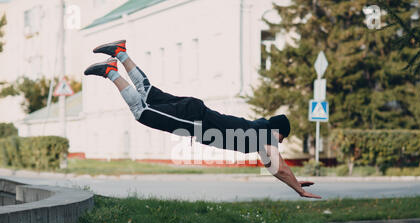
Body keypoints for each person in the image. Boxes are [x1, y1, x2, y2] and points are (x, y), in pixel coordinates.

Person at [84, 40, 321, 199]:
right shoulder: (266, 135)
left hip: (195, 110)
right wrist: (298, 189)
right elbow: (278, 166)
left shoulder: (258, 131)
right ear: (279, 131)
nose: (281, 142)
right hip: (195, 120)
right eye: (283, 137)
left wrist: (295, 182)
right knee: (142, 111)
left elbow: (273, 167)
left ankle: (120, 52)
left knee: (147, 92)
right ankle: (111, 71)